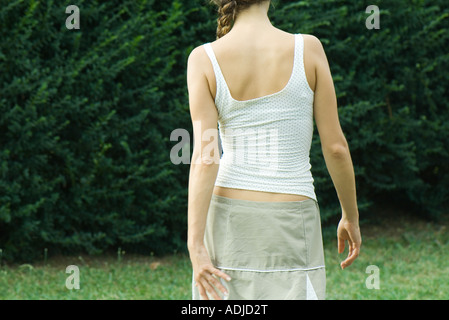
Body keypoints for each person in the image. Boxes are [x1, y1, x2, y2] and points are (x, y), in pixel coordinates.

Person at [186, 0, 361, 300]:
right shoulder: (309, 49)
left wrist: (195, 243)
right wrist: (350, 216)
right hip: (293, 219)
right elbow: (335, 148)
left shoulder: (203, 58)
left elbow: (205, 156)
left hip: (228, 218)